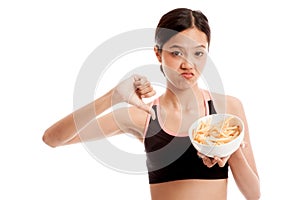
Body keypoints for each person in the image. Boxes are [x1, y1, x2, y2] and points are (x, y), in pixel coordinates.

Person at [43, 8, 260, 200]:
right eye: (176, 52)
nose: (188, 64)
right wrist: (113, 96)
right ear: (158, 53)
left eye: (199, 53)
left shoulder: (227, 109)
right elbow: (52, 139)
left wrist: (231, 148)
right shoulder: (143, 115)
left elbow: (254, 194)